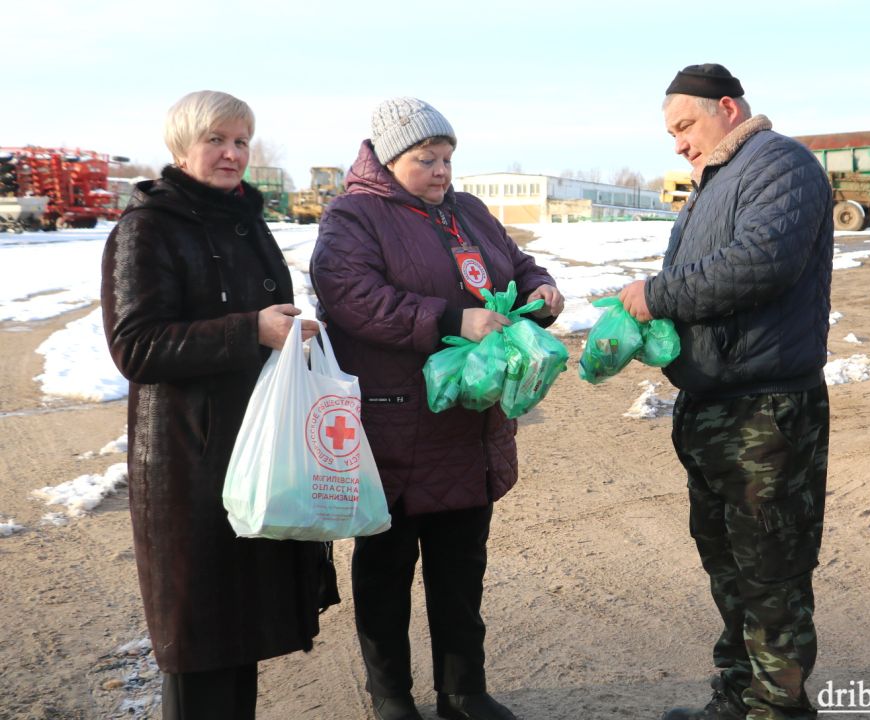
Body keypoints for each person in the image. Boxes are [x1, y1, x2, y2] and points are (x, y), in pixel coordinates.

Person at [310, 97, 564, 720]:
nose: (441, 171)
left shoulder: (468, 212)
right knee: (387, 568)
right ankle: (391, 696)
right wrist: (451, 319)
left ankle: (463, 692)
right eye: (427, 158)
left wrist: (540, 288)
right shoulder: (354, 217)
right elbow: (352, 297)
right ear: (390, 159)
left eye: (448, 158)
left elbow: (517, 261)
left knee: (460, 568)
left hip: (470, 420)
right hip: (397, 422)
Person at [101, 90, 333, 720]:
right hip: (190, 459)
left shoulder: (243, 220)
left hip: (253, 443)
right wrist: (249, 331)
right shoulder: (147, 228)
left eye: (240, 141)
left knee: (238, 634)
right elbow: (134, 345)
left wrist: (287, 338)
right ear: (181, 148)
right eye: (216, 141)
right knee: (202, 640)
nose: (232, 154)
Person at [618, 65, 833, 720]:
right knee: (731, 574)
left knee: (772, 580)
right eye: (672, 133)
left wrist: (655, 297)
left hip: (766, 412)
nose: (678, 143)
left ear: (728, 108)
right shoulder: (715, 181)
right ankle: (736, 699)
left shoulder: (782, 164)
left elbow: (760, 263)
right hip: (715, 411)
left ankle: (777, 709)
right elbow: (704, 276)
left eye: (685, 125)